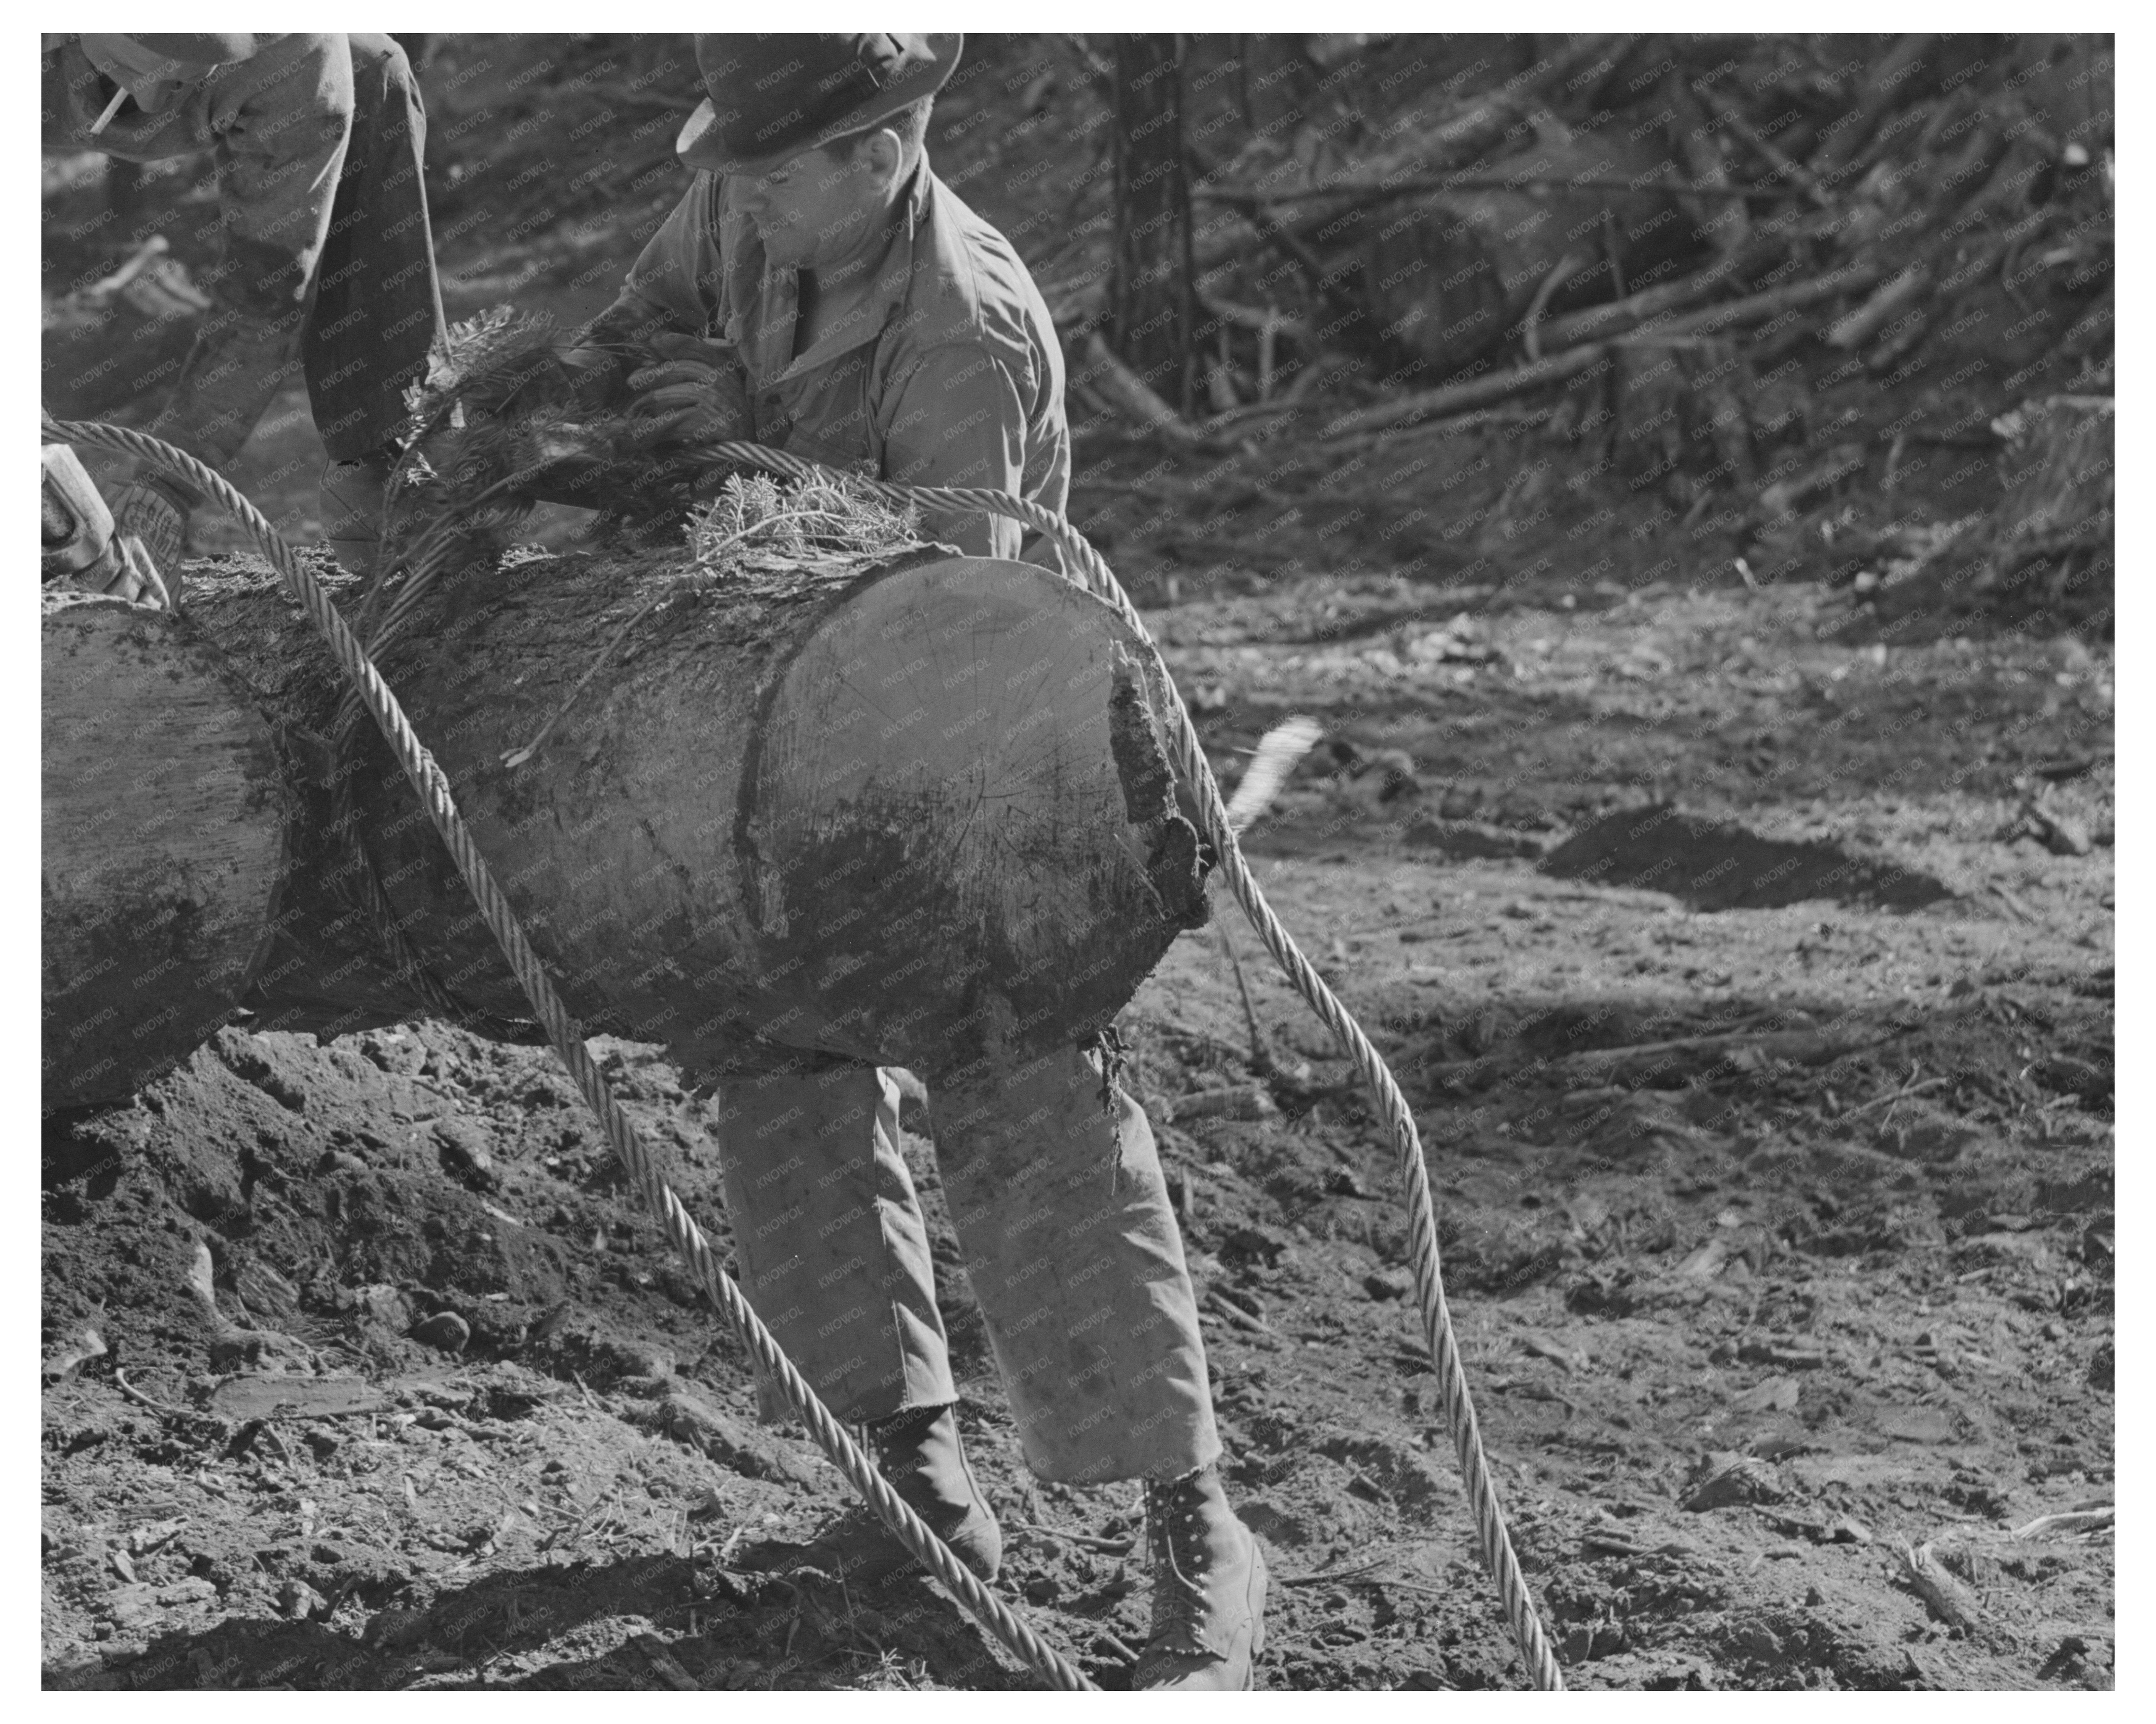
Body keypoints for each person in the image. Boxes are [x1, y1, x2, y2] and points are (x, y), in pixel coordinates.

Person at [570, 35, 1265, 1690]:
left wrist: (752, 472)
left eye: (771, 168)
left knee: (1026, 1099)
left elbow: (942, 619)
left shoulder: (965, 328)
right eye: (727, 166)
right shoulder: (742, 203)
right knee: (775, 1056)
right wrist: (676, 414)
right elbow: (636, 330)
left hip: (962, 774)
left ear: (881, 149)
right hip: (761, 747)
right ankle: (906, 1468)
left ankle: (1192, 1521)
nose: (731, 193)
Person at [40, 33, 447, 576]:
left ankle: (384, 448)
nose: (158, 98)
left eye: (184, 75)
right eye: (144, 68)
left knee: (372, 68)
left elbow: (268, 291)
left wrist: (170, 480)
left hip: (278, 76)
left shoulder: (299, 54)